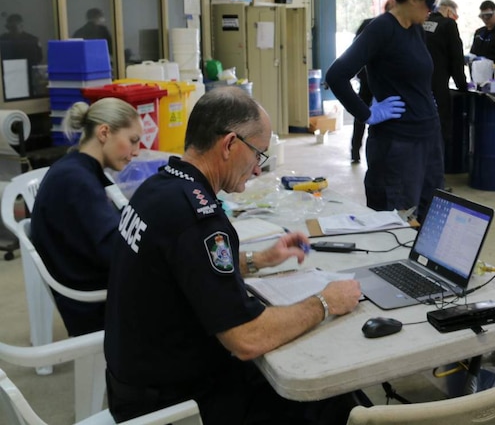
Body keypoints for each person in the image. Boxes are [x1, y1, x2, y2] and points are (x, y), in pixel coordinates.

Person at [104, 87, 362, 423]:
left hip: (135, 382)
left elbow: (185, 269)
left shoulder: (158, 188)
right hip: (175, 403)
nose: (257, 170)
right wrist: (326, 302)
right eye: (258, 154)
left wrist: (258, 261)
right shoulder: (200, 219)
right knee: (332, 397)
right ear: (229, 144)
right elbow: (247, 338)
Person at [326, 0, 444, 223]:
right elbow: (336, 75)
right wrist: (366, 113)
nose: (432, 10)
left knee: (429, 218)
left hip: (427, 138)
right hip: (397, 144)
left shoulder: (415, 29)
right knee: (398, 223)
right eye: (431, 2)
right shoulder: (381, 29)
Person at [30, 98, 142, 336]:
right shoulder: (77, 182)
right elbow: (115, 251)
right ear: (104, 132)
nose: (136, 151)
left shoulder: (74, 170)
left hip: (90, 288)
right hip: (92, 306)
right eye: (132, 140)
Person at [423, 0, 468, 188]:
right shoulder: (448, 25)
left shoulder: (421, 23)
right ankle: (437, 182)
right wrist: (463, 87)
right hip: (438, 88)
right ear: (449, 11)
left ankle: (422, 179)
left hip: (418, 88)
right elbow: (457, 60)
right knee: (439, 132)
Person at [351, 0, 396, 164]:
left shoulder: (403, 29)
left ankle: (357, 151)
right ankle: (355, 150)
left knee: (369, 114)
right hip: (370, 78)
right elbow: (355, 50)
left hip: (379, 80)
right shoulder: (374, 25)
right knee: (363, 114)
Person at [0, 13, 43, 95]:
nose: (13, 30)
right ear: (7, 27)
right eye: (11, 27)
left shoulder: (32, 40)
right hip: (9, 75)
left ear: (21, 25)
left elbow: (39, 58)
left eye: (15, 27)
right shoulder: (3, 40)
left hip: (28, 74)